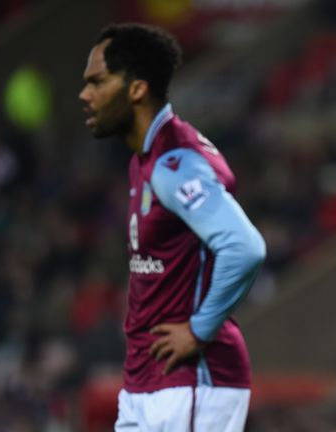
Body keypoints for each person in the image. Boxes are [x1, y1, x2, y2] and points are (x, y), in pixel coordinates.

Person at [79, 23, 265, 432]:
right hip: (146, 382)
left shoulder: (172, 161)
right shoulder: (144, 160)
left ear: (136, 89)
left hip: (193, 379)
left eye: (97, 81)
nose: (85, 94)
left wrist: (198, 331)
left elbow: (244, 246)